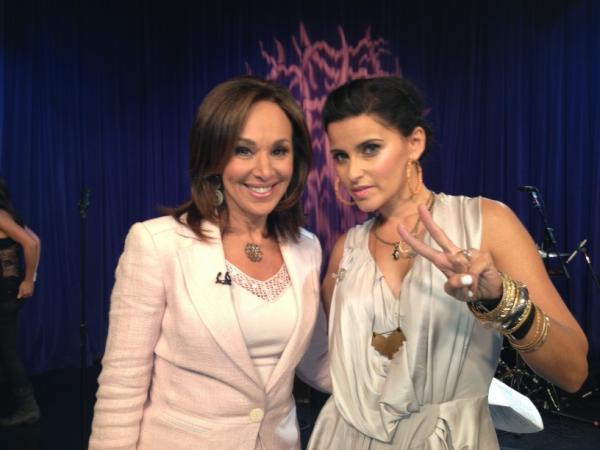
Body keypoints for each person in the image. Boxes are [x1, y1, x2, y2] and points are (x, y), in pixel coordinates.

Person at [307, 76, 588, 449]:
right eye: (341, 156)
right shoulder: (347, 249)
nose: (352, 172)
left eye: (370, 149)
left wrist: (499, 301)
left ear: (415, 142)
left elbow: (573, 371)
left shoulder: (486, 223)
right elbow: (378, 356)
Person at [89, 76, 330, 450]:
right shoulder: (157, 243)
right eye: (243, 150)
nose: (265, 170)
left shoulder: (307, 248)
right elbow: (123, 380)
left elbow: (318, 362)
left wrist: (409, 377)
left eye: (279, 151)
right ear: (214, 157)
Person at [0, 177, 41, 426]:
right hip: (8, 290)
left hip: (5, 293)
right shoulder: (7, 214)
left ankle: (28, 407)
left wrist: (29, 280)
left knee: (7, 352)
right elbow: (36, 239)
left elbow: (32, 243)